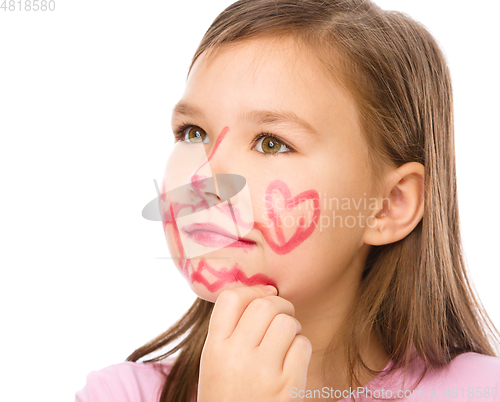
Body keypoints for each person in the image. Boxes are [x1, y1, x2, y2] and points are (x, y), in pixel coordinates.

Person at [75, 0, 500, 401]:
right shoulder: (120, 394)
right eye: (193, 132)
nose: (203, 179)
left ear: (389, 204)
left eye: (271, 143)